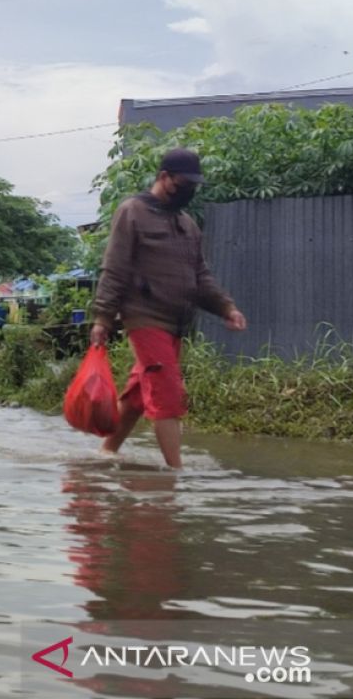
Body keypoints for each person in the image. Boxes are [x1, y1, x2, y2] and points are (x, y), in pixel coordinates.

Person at [90, 148, 247, 469]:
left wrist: (226, 307)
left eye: (193, 185)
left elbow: (200, 276)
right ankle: (176, 475)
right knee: (167, 394)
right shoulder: (132, 211)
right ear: (164, 177)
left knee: (136, 398)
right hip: (145, 317)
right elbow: (114, 268)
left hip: (176, 323)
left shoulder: (186, 224)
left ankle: (105, 454)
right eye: (183, 183)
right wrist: (103, 318)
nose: (188, 191)